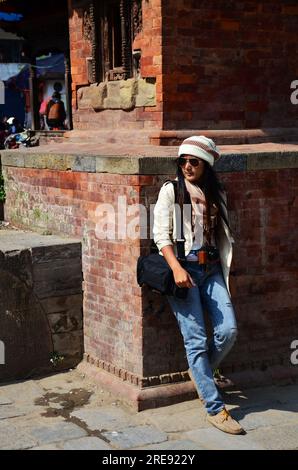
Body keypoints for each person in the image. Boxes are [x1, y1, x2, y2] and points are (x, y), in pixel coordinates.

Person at [153, 135, 245, 435]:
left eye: (194, 161)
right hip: (185, 269)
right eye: (183, 161)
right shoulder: (172, 190)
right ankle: (215, 407)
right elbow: (161, 236)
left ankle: (200, 371)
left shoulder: (216, 191)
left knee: (228, 331)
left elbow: (223, 233)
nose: (188, 166)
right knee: (194, 339)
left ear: (206, 164)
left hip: (212, 268)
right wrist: (177, 267)